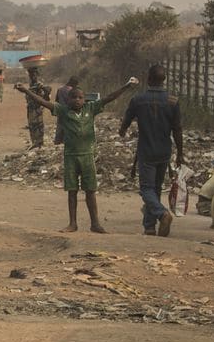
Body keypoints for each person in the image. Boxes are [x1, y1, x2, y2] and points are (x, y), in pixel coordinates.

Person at [18, 77, 137, 233]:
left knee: (90, 191)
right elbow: (43, 103)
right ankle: (72, 223)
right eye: (73, 97)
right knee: (72, 191)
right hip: (71, 156)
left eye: (80, 98)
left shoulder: (90, 108)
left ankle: (95, 223)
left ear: (84, 99)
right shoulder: (63, 111)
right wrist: (26, 91)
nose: (77, 100)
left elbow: (109, 98)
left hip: (87, 156)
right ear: (67, 100)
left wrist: (127, 86)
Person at [119, 63, 184, 237]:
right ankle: (149, 226)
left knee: (146, 189)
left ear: (148, 79)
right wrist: (180, 153)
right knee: (155, 188)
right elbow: (177, 129)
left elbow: (126, 119)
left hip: (146, 151)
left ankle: (162, 214)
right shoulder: (172, 101)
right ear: (164, 80)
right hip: (164, 151)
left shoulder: (138, 100)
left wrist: (122, 130)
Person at [22, 63, 50, 148]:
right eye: (30, 74)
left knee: (38, 125)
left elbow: (46, 95)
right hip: (30, 108)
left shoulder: (39, 84)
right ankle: (34, 142)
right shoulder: (31, 85)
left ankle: (39, 143)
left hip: (37, 108)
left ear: (37, 75)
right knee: (32, 125)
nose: (32, 76)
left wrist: (46, 92)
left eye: (34, 74)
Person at [53, 76, 80, 146]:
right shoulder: (72, 91)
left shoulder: (60, 89)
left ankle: (57, 142)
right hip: (69, 111)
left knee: (60, 127)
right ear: (74, 84)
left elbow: (57, 101)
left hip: (60, 111)